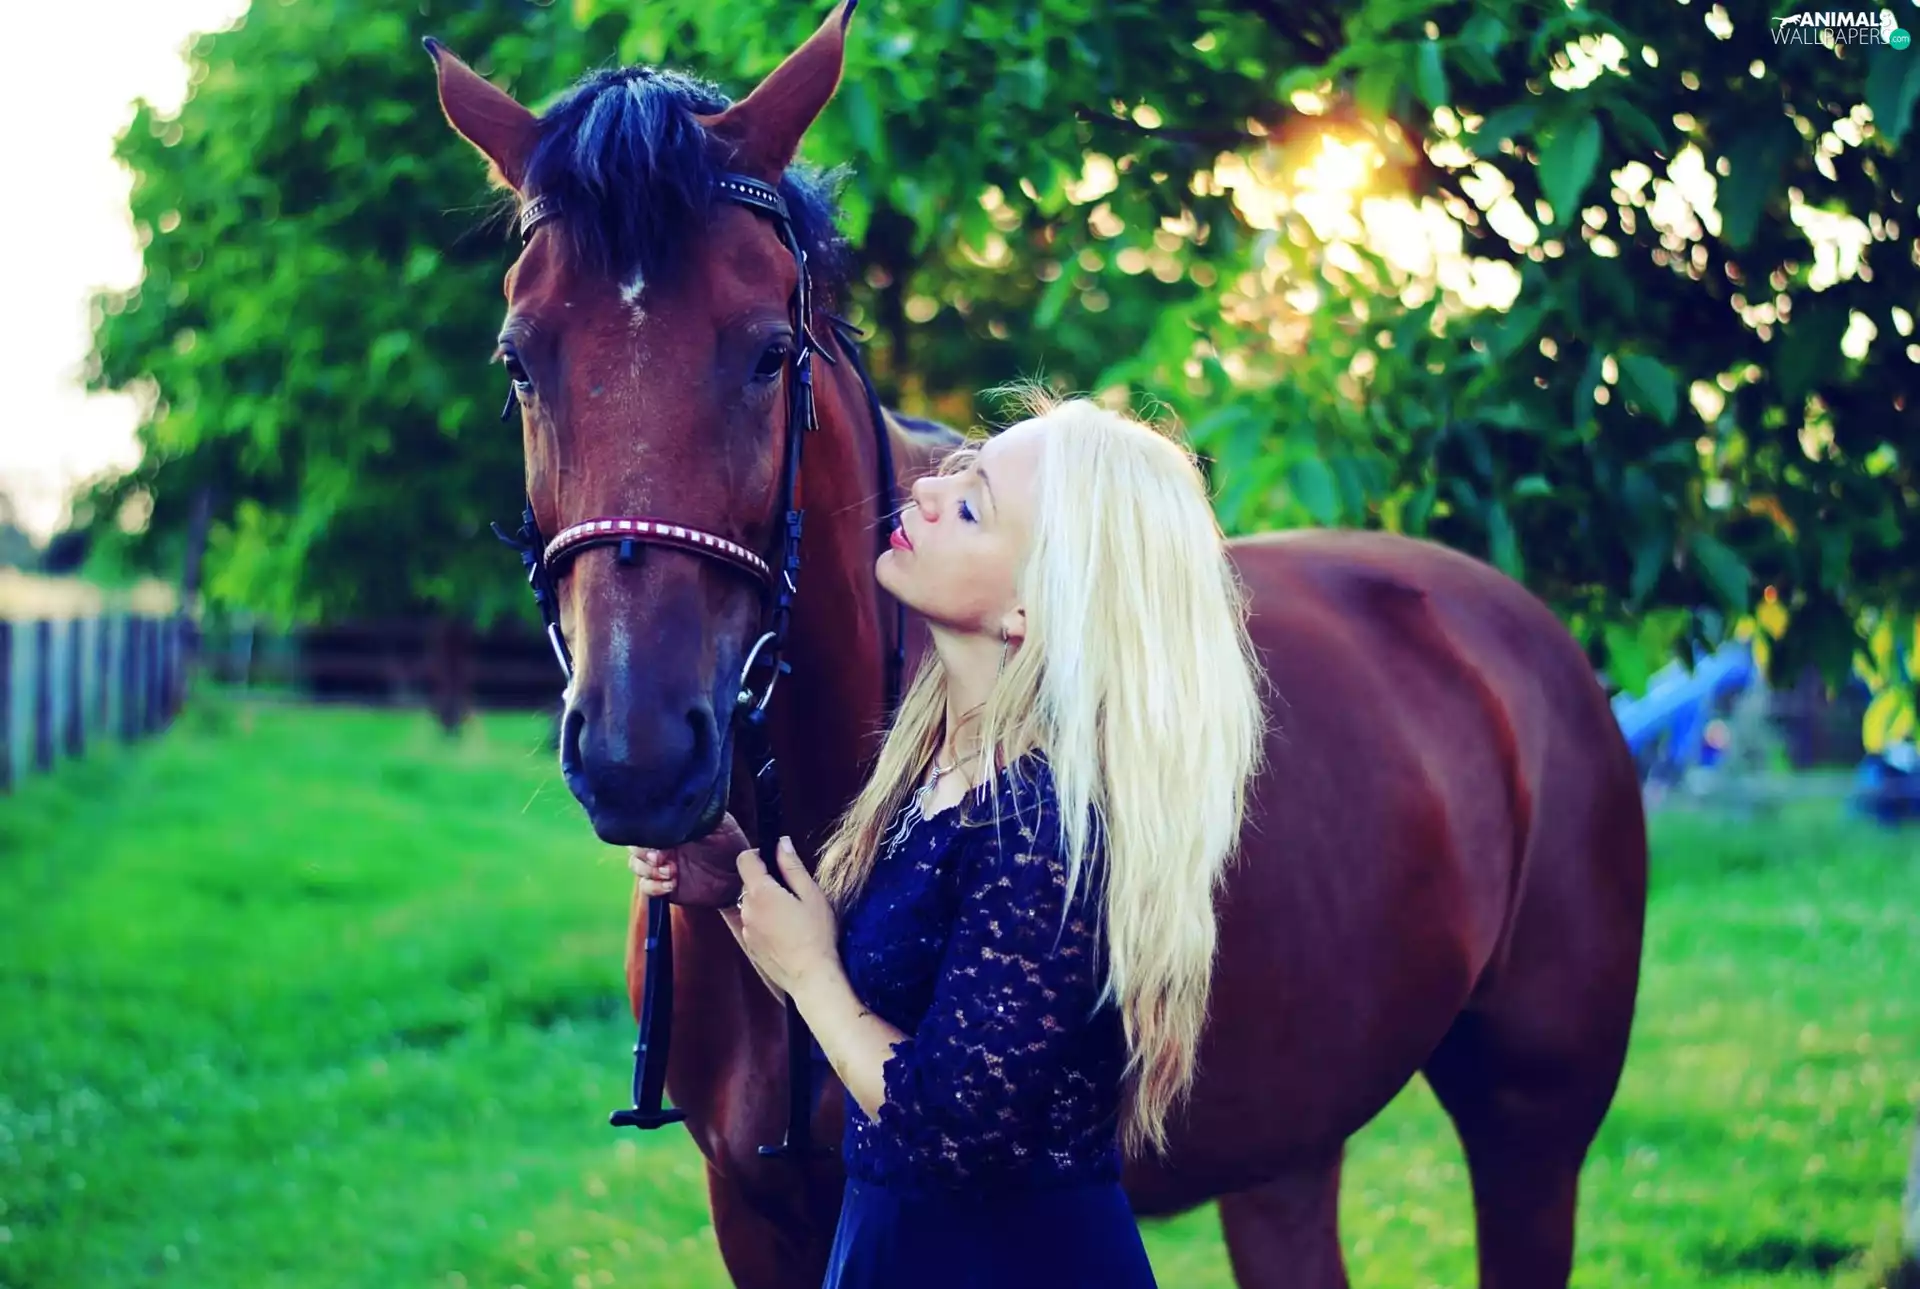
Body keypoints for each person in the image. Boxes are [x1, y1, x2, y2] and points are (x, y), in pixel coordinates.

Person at [631, 392, 1268, 1288]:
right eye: (957, 472)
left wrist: (810, 971)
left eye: (972, 507)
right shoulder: (937, 771)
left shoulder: (1043, 824)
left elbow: (945, 1128)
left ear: (1031, 608)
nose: (927, 491)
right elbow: (887, 1017)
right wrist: (737, 885)